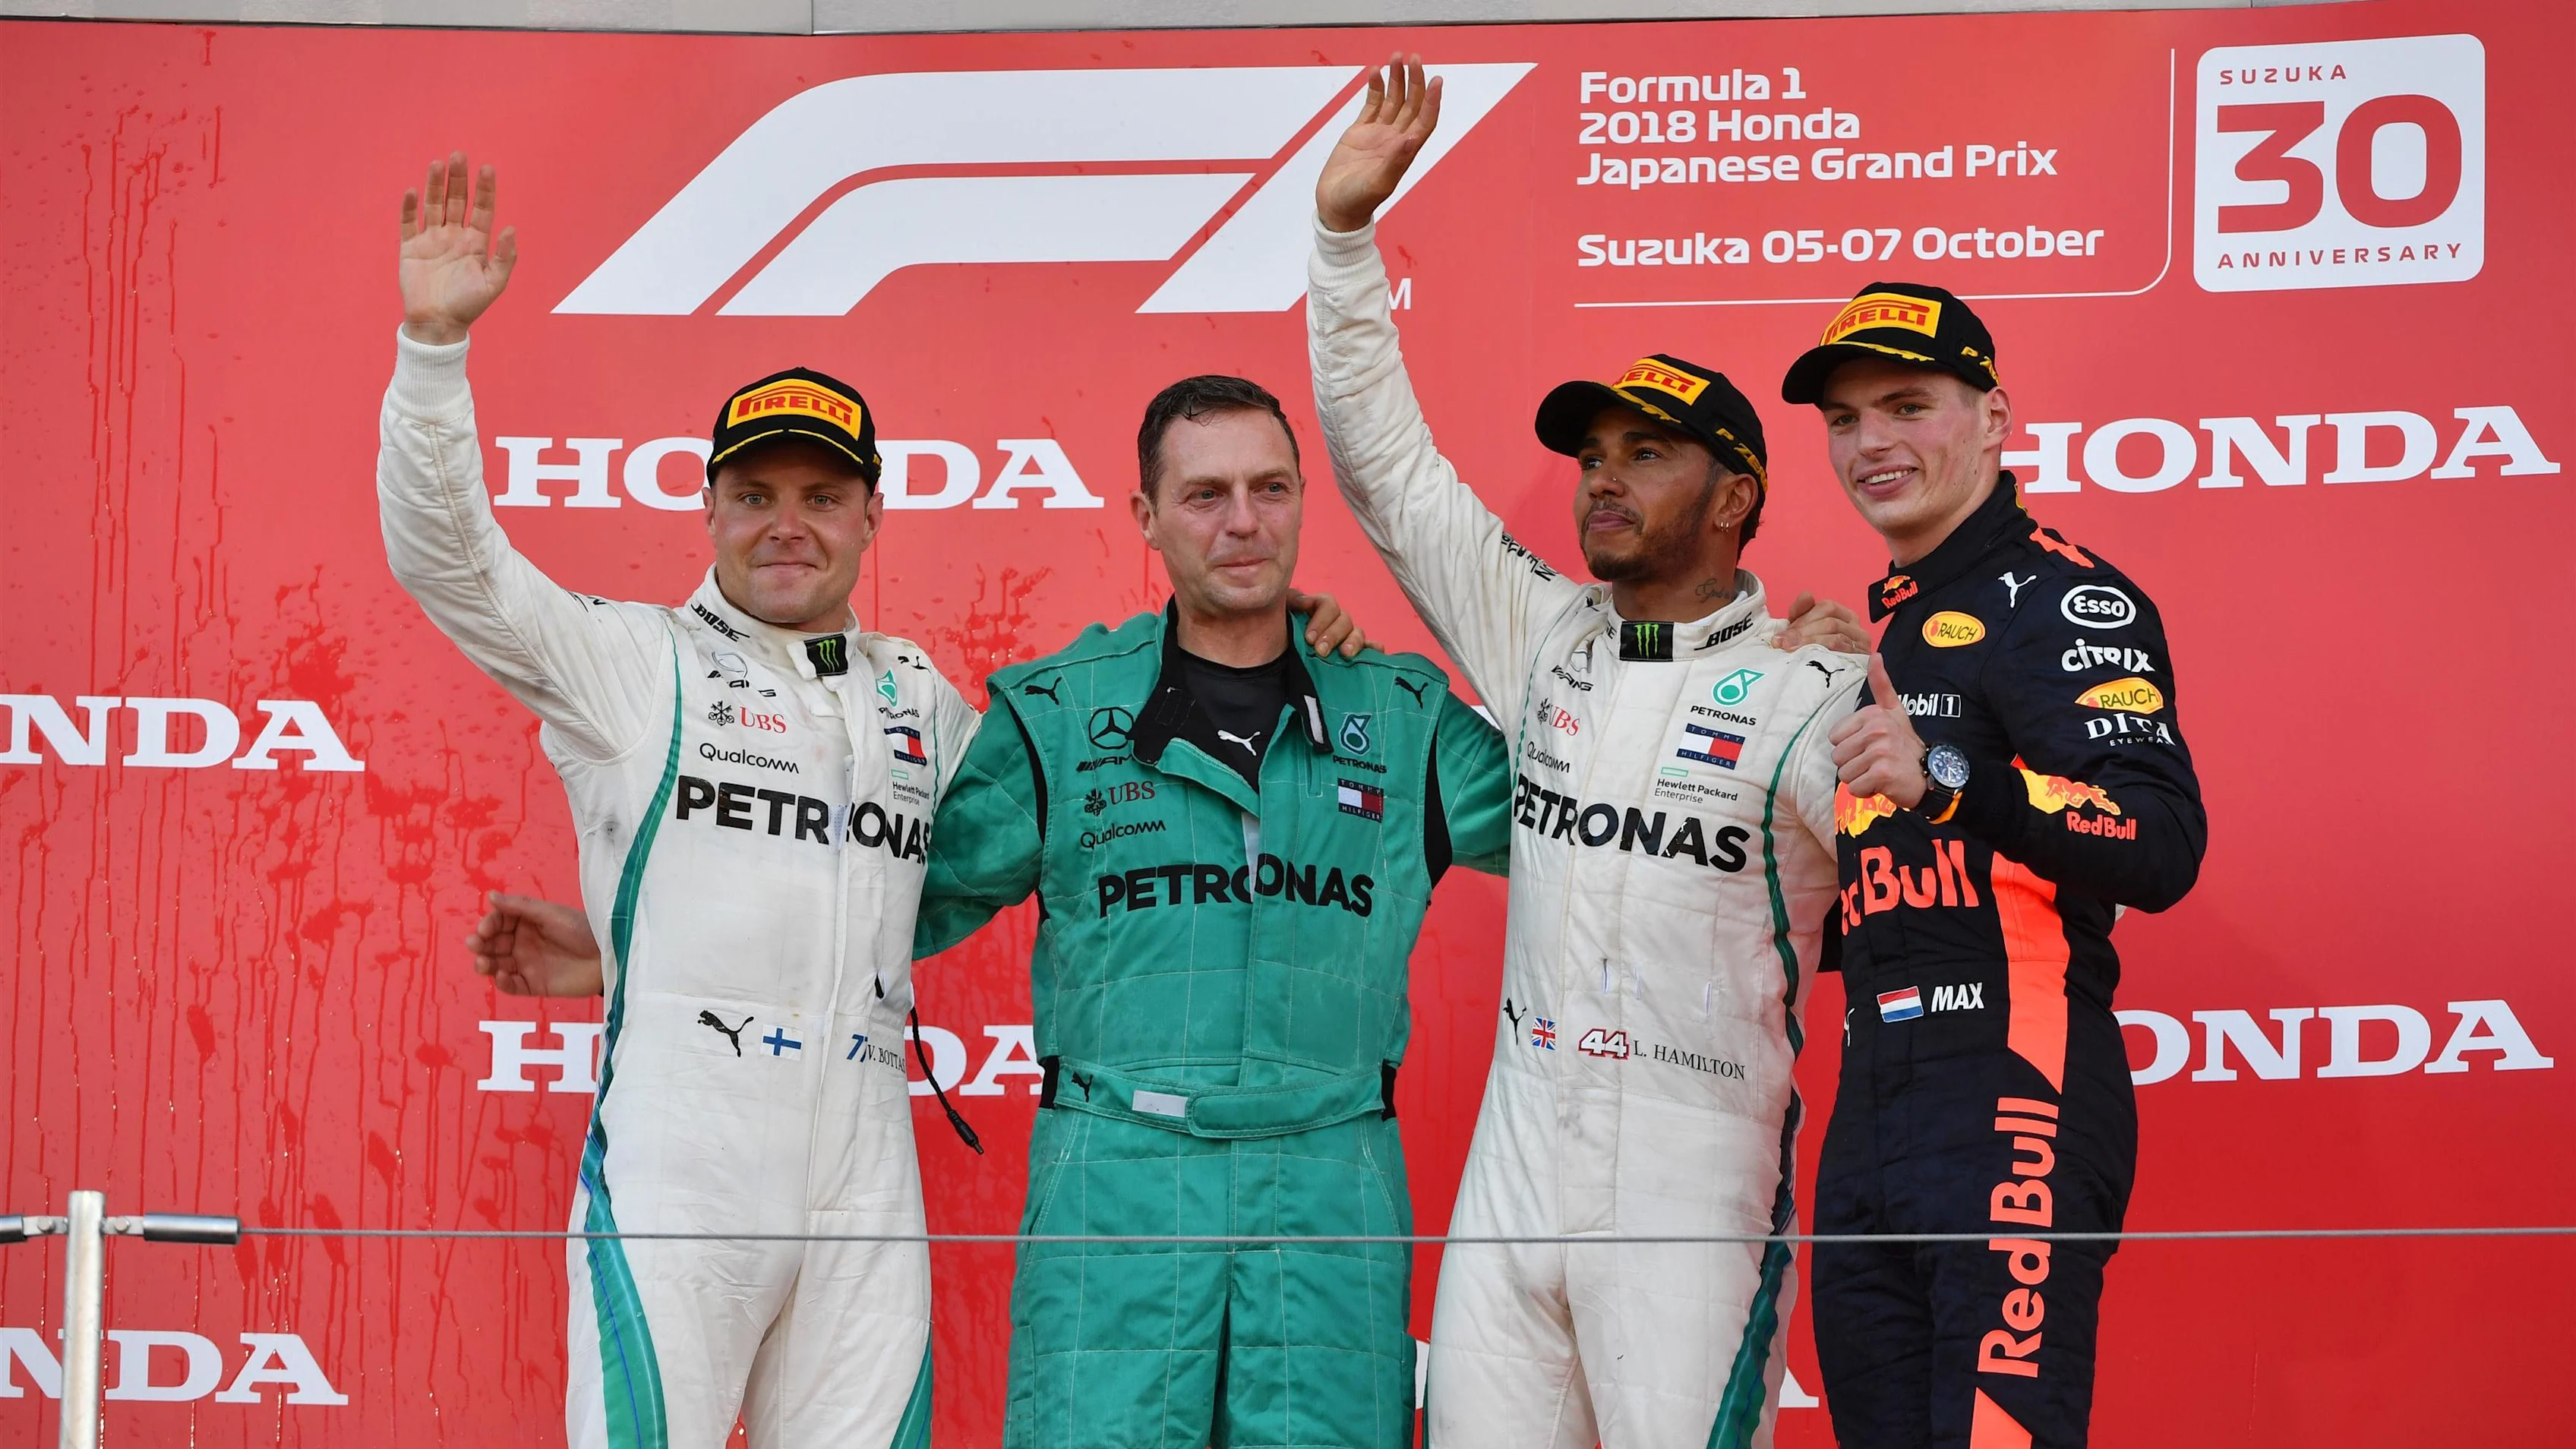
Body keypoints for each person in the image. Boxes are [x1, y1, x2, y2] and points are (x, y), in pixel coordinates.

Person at [384, 156, 1365, 1449]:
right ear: (712, 508)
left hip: (863, 1158)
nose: (787, 525)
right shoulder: (633, 665)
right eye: (756, 496)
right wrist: (433, 353)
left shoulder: (921, 697)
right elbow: (452, 563)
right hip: (691, 1152)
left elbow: (1079, 784)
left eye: (822, 497)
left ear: (870, 517)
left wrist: (1259, 629)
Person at [461, 371, 1501, 1448]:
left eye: (1269, 487)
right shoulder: (1058, 714)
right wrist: (644, 946)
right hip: (1116, 1194)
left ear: (1299, 501)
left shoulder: (1402, 712)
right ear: (1146, 519)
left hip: (1330, 1202)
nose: (1242, 520)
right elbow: (892, 883)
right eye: (1204, 494)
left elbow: (1586, 839)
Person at [1306, 57, 1871, 1449]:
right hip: (1515, 1169)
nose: (1603, 477)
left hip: (1701, 1178)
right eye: (1591, 452)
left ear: (1737, 497)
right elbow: (1388, 470)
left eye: (1650, 454)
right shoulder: (1544, 636)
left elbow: (1908, 868)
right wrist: (1342, 242)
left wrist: (1883, 685)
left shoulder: (1808, 692)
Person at [1793, 283, 2208, 1447]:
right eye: (1844, 419)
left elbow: (2163, 839)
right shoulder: (1894, 622)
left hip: (2014, 1086)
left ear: (1995, 418)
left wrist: (1950, 779)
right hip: (1873, 1105)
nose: (1871, 442)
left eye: (1907, 405)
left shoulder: (2063, 598)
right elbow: (1897, 897)